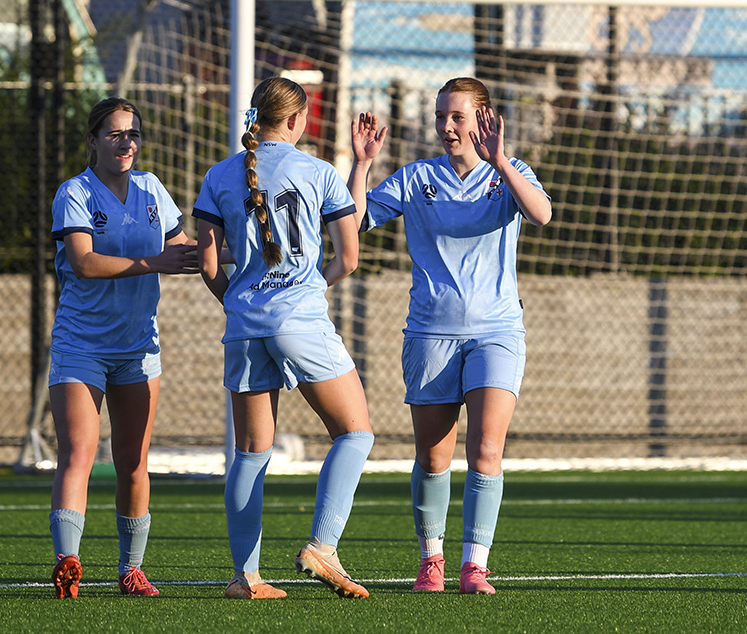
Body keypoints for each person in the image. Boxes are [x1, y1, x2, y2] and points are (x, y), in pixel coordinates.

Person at [347, 77, 552, 595]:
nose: (446, 127)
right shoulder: (417, 178)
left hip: (497, 333)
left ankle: (475, 565)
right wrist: (363, 164)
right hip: (430, 333)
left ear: (484, 119)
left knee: (486, 448)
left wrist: (502, 162)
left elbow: (543, 213)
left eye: (457, 117)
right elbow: (353, 222)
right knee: (434, 457)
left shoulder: (511, 174)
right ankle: (431, 559)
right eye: (441, 116)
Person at [194, 76, 375, 600]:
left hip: (244, 327)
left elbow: (209, 262)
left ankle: (244, 578)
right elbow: (349, 256)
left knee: (250, 454)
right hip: (300, 321)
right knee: (354, 432)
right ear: (297, 121)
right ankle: (322, 546)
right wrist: (311, 283)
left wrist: (239, 299)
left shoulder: (221, 174)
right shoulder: (318, 172)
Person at [47, 96, 200, 599]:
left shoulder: (152, 188)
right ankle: (68, 561)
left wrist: (231, 258)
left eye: (132, 133)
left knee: (134, 461)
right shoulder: (75, 192)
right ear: (92, 140)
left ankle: (131, 570)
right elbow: (85, 262)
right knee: (80, 453)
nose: (126, 143)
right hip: (81, 345)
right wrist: (156, 262)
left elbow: (181, 248)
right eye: (114, 134)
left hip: (138, 345)